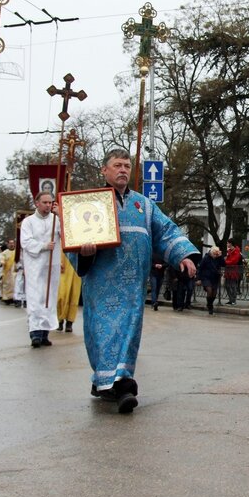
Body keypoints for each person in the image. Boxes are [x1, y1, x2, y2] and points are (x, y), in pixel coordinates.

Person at [69, 149, 198, 414]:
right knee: (104, 335)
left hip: (132, 289)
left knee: (128, 335)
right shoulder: (89, 203)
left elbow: (166, 231)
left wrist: (182, 255)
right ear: (104, 171)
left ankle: (122, 384)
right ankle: (110, 383)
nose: (123, 170)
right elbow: (74, 241)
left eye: (127, 166)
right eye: (117, 165)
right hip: (101, 286)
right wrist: (83, 252)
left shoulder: (144, 205)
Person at [21, 192, 62, 348]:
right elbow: (26, 242)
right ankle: (35, 332)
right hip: (35, 265)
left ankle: (45, 332)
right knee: (36, 297)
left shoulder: (56, 220)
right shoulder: (28, 222)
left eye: (50, 203)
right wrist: (44, 246)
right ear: (36, 203)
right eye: (44, 202)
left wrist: (61, 216)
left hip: (52, 265)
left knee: (49, 297)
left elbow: (66, 234)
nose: (48, 205)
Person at [197, 246, 224, 315]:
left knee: (214, 294)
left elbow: (224, 264)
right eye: (214, 254)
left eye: (216, 254)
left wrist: (221, 256)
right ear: (211, 253)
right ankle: (210, 306)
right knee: (209, 290)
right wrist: (198, 279)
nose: (215, 256)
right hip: (206, 277)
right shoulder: (206, 258)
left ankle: (209, 303)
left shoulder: (218, 258)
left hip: (215, 278)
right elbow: (200, 268)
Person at [57, 256, 81, 332]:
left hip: (76, 266)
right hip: (63, 262)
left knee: (74, 294)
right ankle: (59, 320)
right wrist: (58, 261)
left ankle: (69, 322)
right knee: (61, 293)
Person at [0, 238, 17, 305]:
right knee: (7, 285)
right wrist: (3, 262)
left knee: (14, 285)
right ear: (8, 244)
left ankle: (14, 297)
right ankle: (6, 298)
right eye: (10, 243)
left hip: (15, 271)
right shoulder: (5, 252)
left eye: (13, 243)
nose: (11, 245)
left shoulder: (17, 252)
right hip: (7, 272)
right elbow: (2, 259)